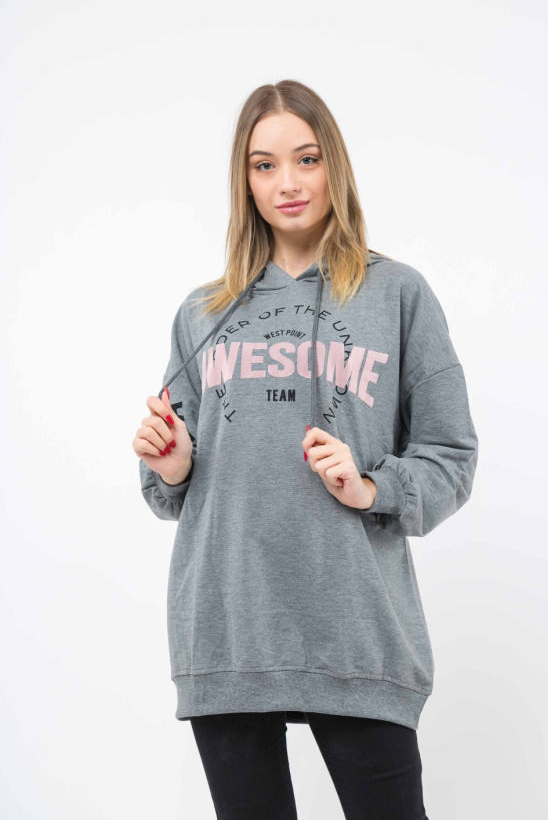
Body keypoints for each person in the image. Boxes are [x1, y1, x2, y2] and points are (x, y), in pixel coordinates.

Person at [132, 79, 479, 819]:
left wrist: (371, 486)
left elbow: (451, 456)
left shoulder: (398, 295)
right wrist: (173, 464)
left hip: (357, 630)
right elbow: (168, 480)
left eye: (306, 159)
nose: (287, 182)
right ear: (244, 180)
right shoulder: (203, 313)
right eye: (264, 165)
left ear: (334, 167)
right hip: (226, 626)